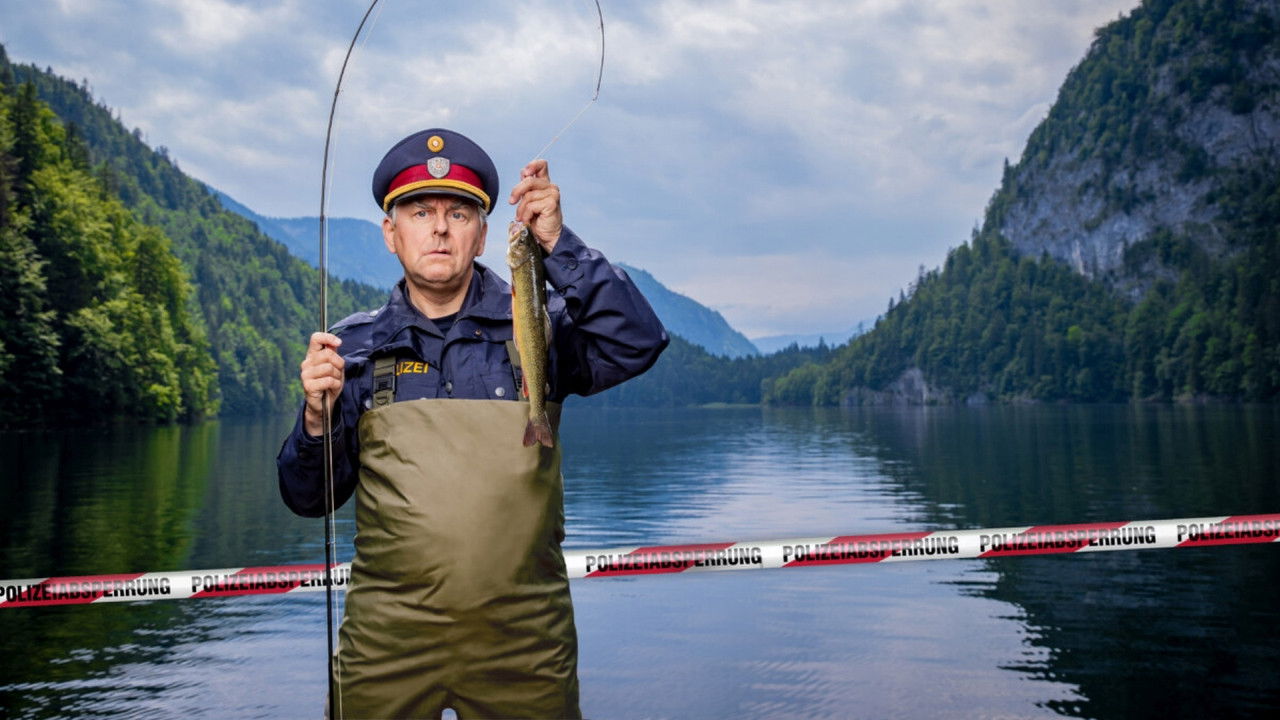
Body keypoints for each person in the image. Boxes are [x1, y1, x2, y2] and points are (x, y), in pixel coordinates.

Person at [277, 128, 668, 719]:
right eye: (419, 211)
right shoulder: (351, 347)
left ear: (483, 234)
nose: (439, 228)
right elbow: (309, 499)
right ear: (391, 233)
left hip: (527, 646)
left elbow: (638, 342)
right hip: (386, 648)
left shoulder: (539, 322)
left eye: (459, 213)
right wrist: (314, 419)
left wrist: (558, 244)